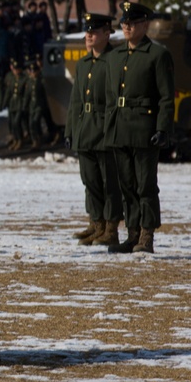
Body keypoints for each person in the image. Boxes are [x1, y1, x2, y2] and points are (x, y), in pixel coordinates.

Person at [105, 1, 174, 254]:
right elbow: (109, 97)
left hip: (145, 128)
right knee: (127, 185)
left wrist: (163, 128)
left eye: (132, 23)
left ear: (145, 24)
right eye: (124, 23)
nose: (127, 27)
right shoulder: (115, 56)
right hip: (120, 128)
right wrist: (108, 128)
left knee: (145, 184)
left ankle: (147, 234)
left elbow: (166, 96)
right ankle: (132, 233)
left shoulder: (157, 55)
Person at [64, 13, 123, 246]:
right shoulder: (83, 63)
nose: (88, 35)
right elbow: (75, 101)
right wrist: (71, 131)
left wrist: (112, 130)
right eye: (87, 31)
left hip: (104, 128)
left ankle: (110, 228)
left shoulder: (114, 60)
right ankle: (96, 223)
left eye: (94, 31)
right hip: (85, 128)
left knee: (109, 182)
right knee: (90, 180)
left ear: (107, 34)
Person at [0, 59, 28, 150]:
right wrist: (4, 103)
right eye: (14, 69)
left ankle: (20, 140)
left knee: (17, 122)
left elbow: (26, 94)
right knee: (12, 123)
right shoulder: (11, 78)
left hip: (20, 103)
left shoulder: (24, 78)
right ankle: (15, 139)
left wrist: (25, 105)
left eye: (17, 69)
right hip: (12, 103)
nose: (15, 71)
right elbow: (8, 92)